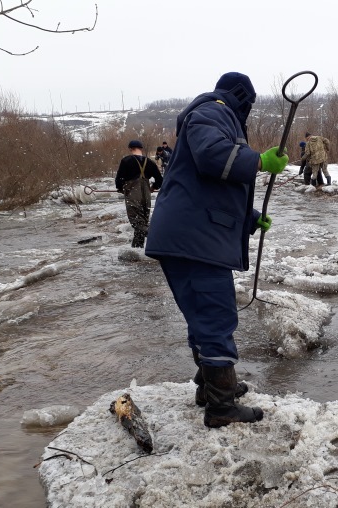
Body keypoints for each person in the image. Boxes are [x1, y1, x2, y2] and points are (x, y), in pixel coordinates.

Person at [145, 72, 288, 429]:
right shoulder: (213, 111)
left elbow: (208, 189)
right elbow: (213, 156)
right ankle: (221, 407)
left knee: (203, 316)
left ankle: (209, 388)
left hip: (187, 236)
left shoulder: (212, 113)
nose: (250, 112)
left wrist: (249, 218)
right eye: (250, 104)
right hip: (194, 242)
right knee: (215, 317)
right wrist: (258, 161)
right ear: (243, 98)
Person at [115, 140, 163, 248]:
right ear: (141, 149)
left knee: (138, 224)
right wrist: (153, 187)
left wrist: (120, 189)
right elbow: (160, 180)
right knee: (142, 225)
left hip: (133, 196)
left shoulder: (126, 161)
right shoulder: (150, 162)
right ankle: (136, 252)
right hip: (146, 197)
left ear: (131, 149)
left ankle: (161, 238)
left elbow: (119, 180)